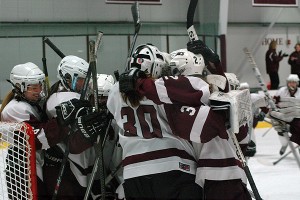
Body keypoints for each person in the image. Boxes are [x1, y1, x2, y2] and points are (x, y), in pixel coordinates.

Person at [120, 43, 252, 199]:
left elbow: (207, 127)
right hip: (223, 178)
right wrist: (216, 67)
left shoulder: (188, 100)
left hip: (217, 178)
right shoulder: (210, 95)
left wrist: (141, 83)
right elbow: (240, 137)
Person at [107, 44, 203, 200]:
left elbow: (114, 109)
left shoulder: (114, 91)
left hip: (133, 172)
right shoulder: (161, 86)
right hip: (173, 166)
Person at [0, 62, 70, 199]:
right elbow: (39, 138)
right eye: (34, 87)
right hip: (21, 170)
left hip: (31, 165)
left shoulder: (29, 104)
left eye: (40, 85)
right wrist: (62, 120)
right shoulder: (15, 109)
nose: (38, 90)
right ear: (19, 87)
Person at [44, 55, 109, 199]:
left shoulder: (72, 96)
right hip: (64, 167)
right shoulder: (59, 98)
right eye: (81, 79)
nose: (86, 83)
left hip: (76, 166)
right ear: (67, 78)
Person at [271, 74, 300, 155]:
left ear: (297, 83)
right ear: (287, 83)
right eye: (290, 82)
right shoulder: (281, 91)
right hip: (283, 116)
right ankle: (284, 145)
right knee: (280, 129)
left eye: (294, 82)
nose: (292, 84)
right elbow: (274, 102)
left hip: (297, 117)